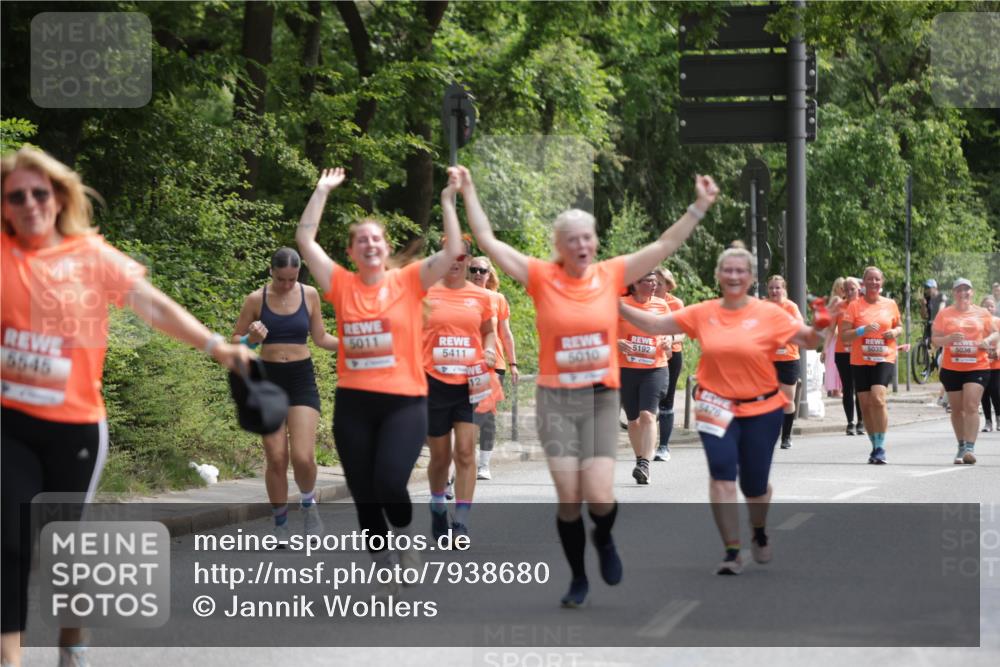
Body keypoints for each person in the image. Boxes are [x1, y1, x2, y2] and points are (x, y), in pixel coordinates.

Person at [1, 147, 253, 667]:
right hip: (9, 423)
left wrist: (216, 345)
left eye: (38, 193)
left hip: (74, 428)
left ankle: (74, 645)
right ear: (4, 206)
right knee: (9, 543)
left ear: (58, 197)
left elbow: (151, 304)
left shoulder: (89, 255)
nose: (29, 203)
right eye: (16, 196)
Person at [461, 164, 719, 605]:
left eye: (587, 238)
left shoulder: (611, 275)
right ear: (559, 247)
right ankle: (578, 579)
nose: (581, 245)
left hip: (600, 396)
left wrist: (698, 206)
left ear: (595, 244)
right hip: (557, 399)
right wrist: (467, 190)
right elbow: (488, 241)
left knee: (598, 494)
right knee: (568, 498)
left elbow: (663, 245)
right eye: (572, 240)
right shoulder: (542, 277)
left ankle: (604, 537)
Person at [295, 166, 465, 592]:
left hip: (404, 401)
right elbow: (304, 241)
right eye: (361, 240)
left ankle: (405, 538)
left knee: (389, 480)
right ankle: (379, 550)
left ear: (386, 247)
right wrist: (321, 190)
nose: (370, 244)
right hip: (354, 403)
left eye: (376, 238)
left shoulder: (407, 282)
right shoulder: (340, 284)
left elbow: (452, 251)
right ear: (351, 252)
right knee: (363, 491)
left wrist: (447, 201)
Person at [620, 247, 832, 575]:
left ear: (750, 278)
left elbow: (808, 339)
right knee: (721, 477)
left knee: (755, 485)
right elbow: (656, 324)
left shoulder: (769, 314)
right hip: (715, 405)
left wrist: (823, 321)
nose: (733, 276)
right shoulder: (704, 312)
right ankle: (732, 549)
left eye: (740, 271)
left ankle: (758, 531)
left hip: (761, 407)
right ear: (719, 277)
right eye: (727, 270)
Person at [231, 248, 339, 541]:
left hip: (301, 378)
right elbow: (235, 343)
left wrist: (352, 344)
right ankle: (280, 523)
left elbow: (321, 337)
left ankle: (308, 503)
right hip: (267, 379)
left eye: (292, 279)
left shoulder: (310, 295)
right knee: (277, 457)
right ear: (271, 272)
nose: (287, 285)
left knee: (303, 457)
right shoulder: (256, 299)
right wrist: (250, 340)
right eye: (281, 279)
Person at [423, 239, 496, 538]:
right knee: (440, 457)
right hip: (433, 380)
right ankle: (438, 505)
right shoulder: (425, 291)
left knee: (466, 452)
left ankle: (461, 521)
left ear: (468, 260)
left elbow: (489, 332)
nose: (454, 261)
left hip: (471, 380)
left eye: (460, 256)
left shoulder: (480, 296)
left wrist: (490, 350)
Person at [840, 266, 902, 464]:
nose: (874, 283)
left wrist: (894, 333)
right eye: (870, 280)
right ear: (863, 284)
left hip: (884, 357)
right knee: (865, 405)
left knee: (878, 398)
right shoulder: (854, 306)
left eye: (877, 280)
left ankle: (881, 446)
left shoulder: (890, 304)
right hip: (860, 359)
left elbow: (899, 326)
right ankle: (875, 446)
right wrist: (862, 330)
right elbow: (844, 335)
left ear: (881, 283)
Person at [931, 279, 996, 465]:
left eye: (966, 290)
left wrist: (988, 340)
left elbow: (996, 333)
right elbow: (935, 340)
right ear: (954, 293)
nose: (963, 293)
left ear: (972, 293)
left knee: (971, 406)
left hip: (977, 366)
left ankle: (969, 448)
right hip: (952, 368)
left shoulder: (982, 313)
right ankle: (960, 445)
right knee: (957, 410)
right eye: (959, 290)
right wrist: (949, 338)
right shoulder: (945, 314)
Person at [617, 272, 671, 483]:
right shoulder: (621, 305)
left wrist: (667, 340)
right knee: (633, 420)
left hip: (655, 368)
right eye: (648, 281)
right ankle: (640, 458)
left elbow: (670, 330)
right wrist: (616, 342)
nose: (653, 285)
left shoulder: (661, 306)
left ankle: (644, 464)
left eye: (655, 282)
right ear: (635, 284)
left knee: (648, 415)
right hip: (626, 368)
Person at [468, 256, 519, 480]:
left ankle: (484, 465)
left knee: (486, 414)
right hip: (464, 362)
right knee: (464, 413)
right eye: (474, 269)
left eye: (483, 270)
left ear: (489, 275)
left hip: (492, 363)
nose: (478, 274)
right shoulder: (459, 296)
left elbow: (505, 334)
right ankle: (462, 460)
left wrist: (513, 363)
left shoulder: (498, 298)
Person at [766, 275, 804, 449]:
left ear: (784, 290)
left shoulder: (791, 307)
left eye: (778, 288)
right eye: (772, 288)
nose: (774, 291)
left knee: (787, 400)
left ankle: (786, 436)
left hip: (788, 358)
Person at [652, 267, 685, 461]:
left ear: (668, 285)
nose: (655, 287)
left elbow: (683, 330)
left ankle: (663, 447)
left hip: (672, 355)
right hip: (648, 356)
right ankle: (647, 443)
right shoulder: (645, 300)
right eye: (653, 283)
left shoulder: (675, 303)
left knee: (667, 400)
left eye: (659, 284)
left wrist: (671, 340)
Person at [833, 277, 865, 435]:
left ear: (859, 289)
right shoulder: (839, 307)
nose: (850, 292)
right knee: (847, 387)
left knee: (860, 387)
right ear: (843, 292)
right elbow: (831, 329)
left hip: (860, 352)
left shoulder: (864, 305)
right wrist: (825, 349)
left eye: (853, 289)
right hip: (842, 352)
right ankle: (850, 423)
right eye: (847, 289)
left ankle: (861, 422)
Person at [821, 277, 845, 398]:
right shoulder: (837, 300)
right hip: (835, 336)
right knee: (835, 363)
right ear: (837, 288)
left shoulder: (835, 299)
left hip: (833, 336)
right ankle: (836, 390)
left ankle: (834, 389)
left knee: (832, 362)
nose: (844, 290)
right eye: (841, 287)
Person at [980, 296, 1000, 432]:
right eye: (986, 306)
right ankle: (988, 421)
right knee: (984, 393)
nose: (989, 308)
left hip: (996, 364)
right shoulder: (977, 324)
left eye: (991, 306)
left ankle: (999, 418)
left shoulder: (998, 322)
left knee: (996, 392)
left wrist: (998, 350)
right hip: (981, 363)